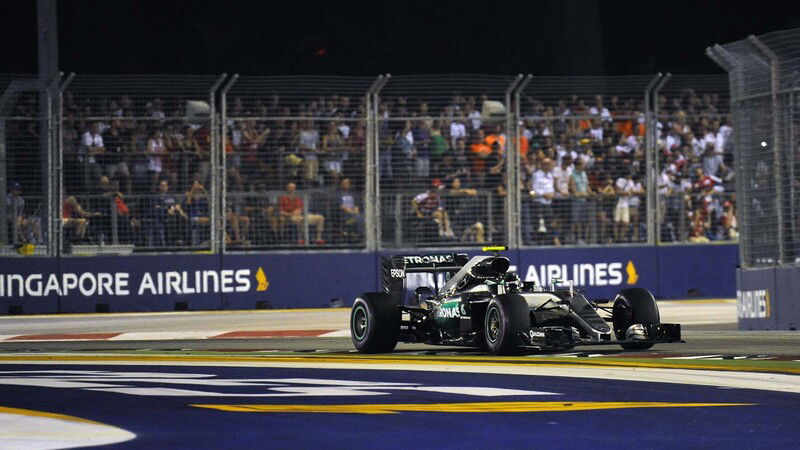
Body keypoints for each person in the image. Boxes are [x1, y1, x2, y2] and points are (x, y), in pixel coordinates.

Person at [529, 158, 558, 245]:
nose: (548, 166)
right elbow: (534, 189)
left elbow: (551, 187)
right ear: (542, 165)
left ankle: (549, 241)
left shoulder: (550, 175)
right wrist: (544, 194)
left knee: (550, 223)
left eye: (549, 164)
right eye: (546, 164)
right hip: (539, 202)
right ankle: (539, 241)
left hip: (548, 203)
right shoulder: (536, 175)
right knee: (539, 223)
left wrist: (552, 194)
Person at [568, 159, 592, 244]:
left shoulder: (584, 173)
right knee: (577, 221)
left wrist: (591, 193)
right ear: (578, 165)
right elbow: (573, 189)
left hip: (585, 201)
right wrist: (581, 194)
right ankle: (577, 239)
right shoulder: (572, 175)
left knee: (585, 221)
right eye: (583, 164)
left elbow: (587, 186)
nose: (585, 166)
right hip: (576, 202)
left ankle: (584, 238)